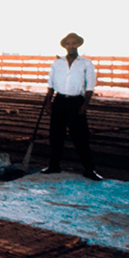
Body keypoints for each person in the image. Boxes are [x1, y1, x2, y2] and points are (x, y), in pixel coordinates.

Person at [42, 32, 102, 181]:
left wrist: (85, 104)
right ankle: (53, 166)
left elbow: (90, 86)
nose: (71, 46)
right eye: (68, 43)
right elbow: (50, 84)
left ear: (78, 45)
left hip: (76, 102)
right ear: (64, 46)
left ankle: (89, 170)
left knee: (81, 137)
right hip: (59, 101)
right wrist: (48, 102)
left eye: (73, 43)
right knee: (56, 136)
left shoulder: (86, 63)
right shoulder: (57, 63)